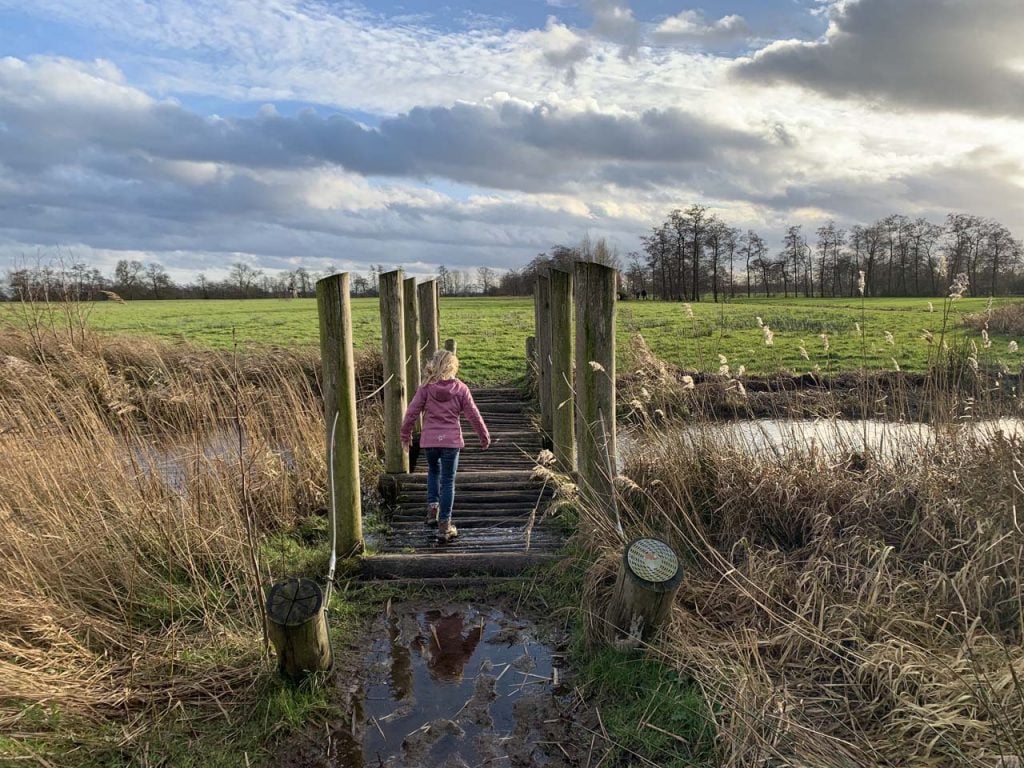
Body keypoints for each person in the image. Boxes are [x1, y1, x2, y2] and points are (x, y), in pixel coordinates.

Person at [401, 349, 490, 543]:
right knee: (448, 480)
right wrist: (483, 435)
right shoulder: (460, 389)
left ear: (434, 365)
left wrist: (405, 435)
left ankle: (433, 507)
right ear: (453, 367)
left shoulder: (426, 388)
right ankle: (445, 525)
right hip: (451, 442)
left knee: (433, 471)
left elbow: (411, 412)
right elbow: (472, 414)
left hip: (431, 442)